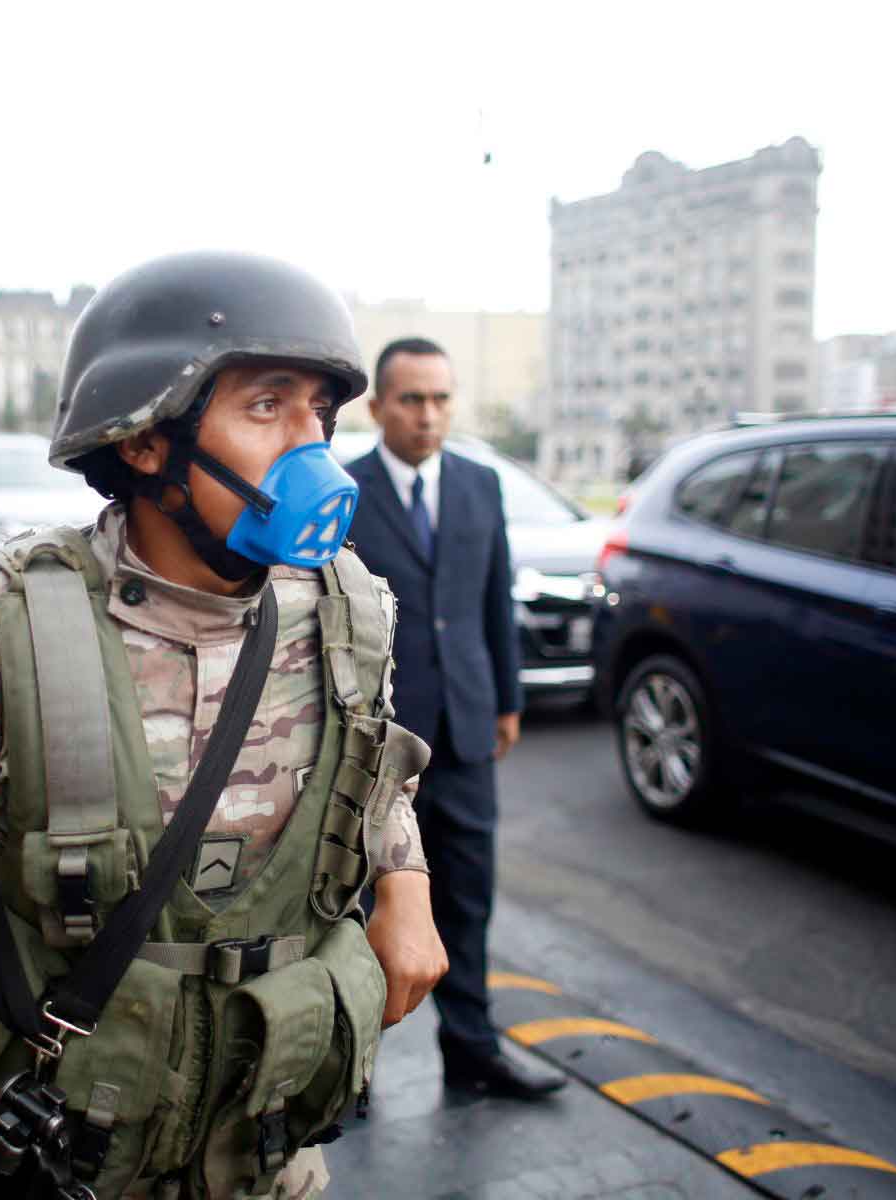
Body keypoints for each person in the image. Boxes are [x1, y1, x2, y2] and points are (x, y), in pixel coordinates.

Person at [0, 252, 448, 1200]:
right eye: (265, 407)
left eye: (321, 414)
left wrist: (404, 880)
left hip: (262, 1160)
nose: (312, 445)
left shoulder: (347, 607)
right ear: (145, 441)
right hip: (40, 1160)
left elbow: (372, 768)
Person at [342, 337, 566, 1099]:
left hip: (466, 726)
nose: (428, 415)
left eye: (440, 399)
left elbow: (492, 597)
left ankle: (472, 1047)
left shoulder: (477, 484)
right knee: (362, 901)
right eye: (411, 399)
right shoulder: (345, 489)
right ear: (377, 407)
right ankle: (352, 1066)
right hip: (378, 738)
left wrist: (507, 698)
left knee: (468, 895)